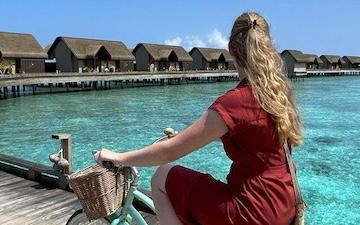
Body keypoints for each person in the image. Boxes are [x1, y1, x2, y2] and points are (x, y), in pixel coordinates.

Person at [95, 11, 302, 225]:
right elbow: (256, 139)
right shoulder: (276, 94)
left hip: (252, 211)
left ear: (231, 49)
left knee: (161, 177)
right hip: (283, 203)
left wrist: (118, 157)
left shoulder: (238, 100)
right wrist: (190, 136)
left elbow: (170, 152)